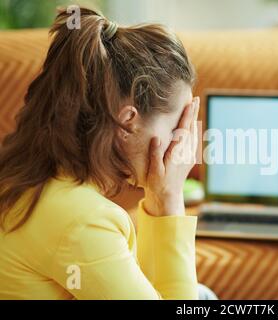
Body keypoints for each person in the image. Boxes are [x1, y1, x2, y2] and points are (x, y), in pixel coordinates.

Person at [0, 7, 206, 300]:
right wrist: (170, 198)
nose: (181, 147)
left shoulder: (27, 174)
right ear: (127, 121)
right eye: (177, 128)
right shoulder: (83, 221)